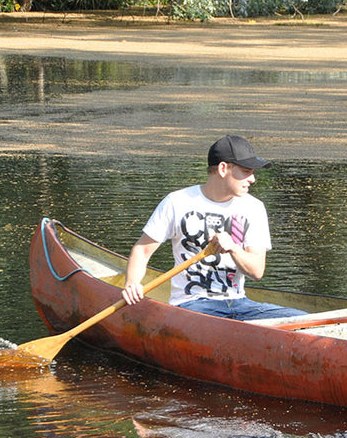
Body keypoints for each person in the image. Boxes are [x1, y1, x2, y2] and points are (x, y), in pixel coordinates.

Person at [121, 135, 306, 321]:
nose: (253, 179)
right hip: (192, 304)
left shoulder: (254, 208)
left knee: (305, 320)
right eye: (246, 171)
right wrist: (132, 284)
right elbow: (142, 251)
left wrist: (233, 248)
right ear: (223, 169)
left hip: (239, 303)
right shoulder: (177, 202)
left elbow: (257, 271)